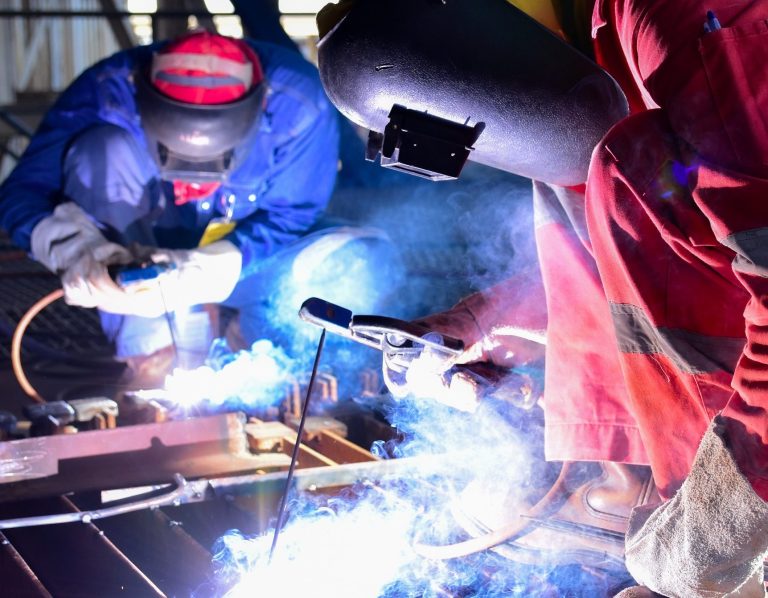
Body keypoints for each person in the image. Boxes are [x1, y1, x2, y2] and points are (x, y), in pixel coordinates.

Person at [321, 0, 768, 594]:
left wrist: (715, 526)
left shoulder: (703, 18)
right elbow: (644, 234)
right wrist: (491, 318)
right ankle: (628, 473)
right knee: (595, 159)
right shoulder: (590, 40)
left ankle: (685, 488)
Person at [0, 29, 390, 383]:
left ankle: (250, 353)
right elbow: (22, 194)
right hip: (136, 266)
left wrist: (216, 265)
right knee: (100, 150)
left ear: (259, 106)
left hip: (242, 263)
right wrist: (79, 251)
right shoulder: (107, 91)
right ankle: (151, 354)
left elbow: (293, 213)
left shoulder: (299, 103)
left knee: (356, 264)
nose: (193, 180)